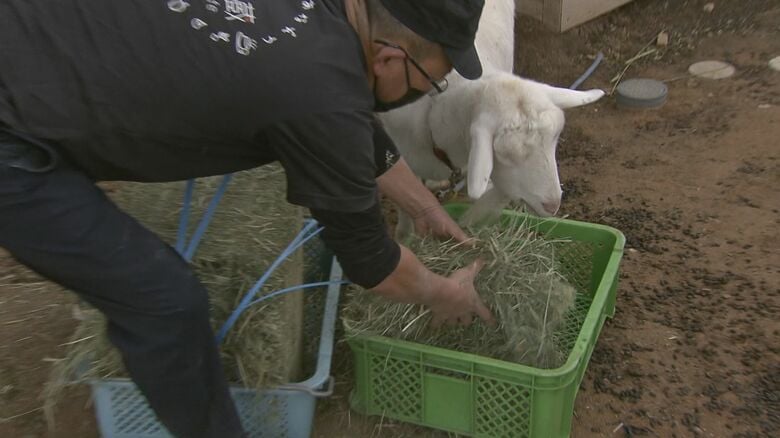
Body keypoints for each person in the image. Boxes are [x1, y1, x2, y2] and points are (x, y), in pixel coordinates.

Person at [0, 0, 493, 436]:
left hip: (33, 42)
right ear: (387, 58)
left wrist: (424, 207)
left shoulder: (330, 25)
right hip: (13, 137)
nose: (429, 90)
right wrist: (441, 293)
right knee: (164, 303)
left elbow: (346, 122)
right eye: (431, 81)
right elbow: (372, 262)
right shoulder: (318, 89)